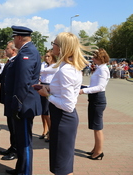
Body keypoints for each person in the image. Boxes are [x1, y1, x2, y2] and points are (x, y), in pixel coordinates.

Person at [34, 32, 88, 175]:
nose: (52, 46)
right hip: (61, 118)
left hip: (63, 118)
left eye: (54, 43)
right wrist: (50, 88)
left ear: (62, 47)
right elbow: (66, 91)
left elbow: (68, 105)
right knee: (63, 164)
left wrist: (48, 95)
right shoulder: (68, 67)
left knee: (62, 166)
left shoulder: (66, 70)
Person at [4, 26, 42, 175]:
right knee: (21, 140)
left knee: (25, 141)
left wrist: (17, 104)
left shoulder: (28, 52)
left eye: (14, 38)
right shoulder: (28, 51)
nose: (14, 41)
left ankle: (25, 172)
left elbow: (24, 82)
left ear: (19, 38)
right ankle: (20, 168)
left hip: (24, 104)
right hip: (23, 102)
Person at [79, 48, 110, 160]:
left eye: (95, 57)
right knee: (95, 126)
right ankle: (96, 148)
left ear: (100, 58)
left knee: (97, 127)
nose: (93, 59)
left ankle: (98, 152)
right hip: (94, 99)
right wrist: (83, 86)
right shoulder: (100, 68)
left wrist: (84, 90)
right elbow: (95, 85)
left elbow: (100, 87)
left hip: (97, 99)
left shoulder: (103, 69)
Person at [38, 50, 58, 142]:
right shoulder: (46, 65)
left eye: (48, 56)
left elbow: (41, 70)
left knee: (46, 112)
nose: (46, 58)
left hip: (49, 87)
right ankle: (45, 130)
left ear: (53, 57)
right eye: (45, 56)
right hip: (42, 85)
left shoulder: (54, 66)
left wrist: (42, 65)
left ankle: (51, 132)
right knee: (43, 112)